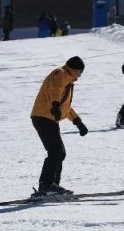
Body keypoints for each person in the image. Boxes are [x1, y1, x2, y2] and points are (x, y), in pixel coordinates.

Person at [30, 56, 89, 197]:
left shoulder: (66, 80)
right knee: (56, 151)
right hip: (43, 117)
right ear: (73, 69)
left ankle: (52, 185)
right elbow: (55, 91)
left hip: (47, 118)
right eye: (79, 73)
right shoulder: (61, 74)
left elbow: (65, 107)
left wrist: (77, 121)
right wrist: (55, 105)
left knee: (58, 152)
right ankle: (47, 186)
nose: (79, 77)